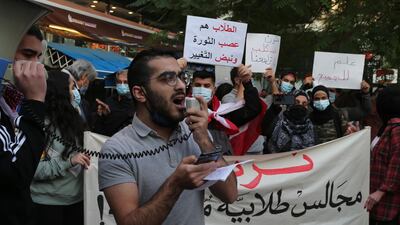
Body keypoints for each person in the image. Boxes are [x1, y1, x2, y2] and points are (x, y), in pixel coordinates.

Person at [98, 49, 237, 225]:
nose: (180, 86)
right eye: (168, 79)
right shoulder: (117, 149)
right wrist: (176, 184)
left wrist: (204, 140)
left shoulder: (194, 131)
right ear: (140, 93)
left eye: (181, 77)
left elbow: (230, 195)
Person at [30, 71, 90, 225]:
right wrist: (68, 162)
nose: (75, 92)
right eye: (71, 87)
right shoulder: (39, 124)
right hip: (47, 205)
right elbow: (34, 169)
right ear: (60, 92)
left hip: (76, 201)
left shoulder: (74, 121)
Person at [0, 33, 47, 225]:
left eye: (38, 56)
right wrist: (36, 101)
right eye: (28, 54)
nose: (36, 65)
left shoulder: (10, 101)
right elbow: (17, 173)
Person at [191, 70, 261, 155]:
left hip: (221, 163)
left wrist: (247, 83)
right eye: (198, 85)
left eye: (207, 86)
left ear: (214, 90)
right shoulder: (181, 112)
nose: (202, 89)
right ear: (192, 87)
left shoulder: (223, 113)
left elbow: (252, 109)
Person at [364, 86, 400, 225]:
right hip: (377, 204)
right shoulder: (387, 127)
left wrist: (381, 191)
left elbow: (397, 162)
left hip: (389, 206)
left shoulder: (397, 128)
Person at [220, 65, 264, 155]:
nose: (250, 80)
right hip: (238, 149)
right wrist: (243, 83)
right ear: (237, 80)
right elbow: (239, 115)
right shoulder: (228, 98)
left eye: (250, 77)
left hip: (256, 149)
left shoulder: (254, 96)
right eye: (247, 76)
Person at [93, 70, 135, 136]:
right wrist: (101, 115)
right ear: (115, 83)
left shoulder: (135, 104)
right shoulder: (109, 100)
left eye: (125, 82)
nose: (122, 85)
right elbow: (99, 128)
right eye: (119, 82)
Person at [62, 59, 97, 126]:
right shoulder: (64, 84)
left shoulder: (60, 79)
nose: (87, 85)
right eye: (88, 81)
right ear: (84, 76)